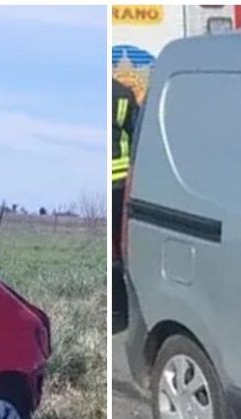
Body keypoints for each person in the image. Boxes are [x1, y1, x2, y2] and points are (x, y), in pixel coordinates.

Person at [112, 78, 140, 323]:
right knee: (122, 247)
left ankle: (115, 306)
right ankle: (123, 307)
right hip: (122, 183)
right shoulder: (123, 94)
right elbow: (137, 135)